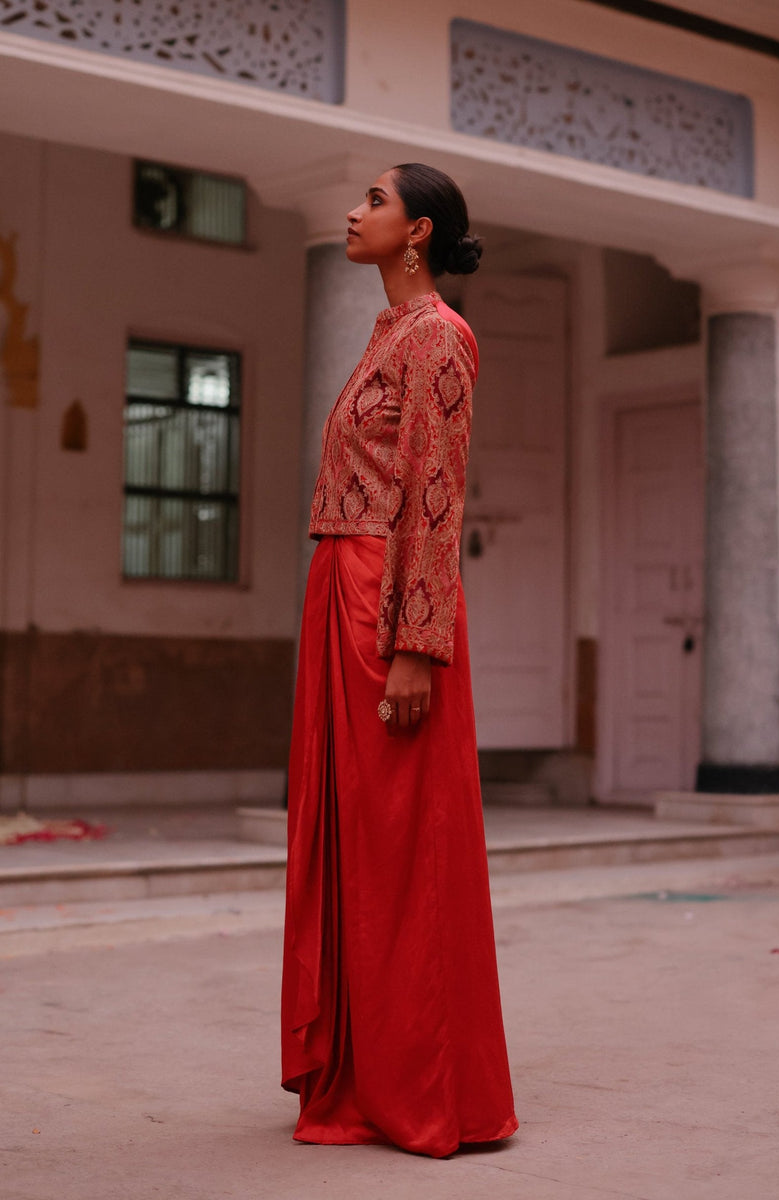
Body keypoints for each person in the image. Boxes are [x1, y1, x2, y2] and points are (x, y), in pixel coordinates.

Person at [281, 162, 518, 1159]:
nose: (351, 211)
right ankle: (358, 1072)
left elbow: (433, 490)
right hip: (341, 596)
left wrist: (418, 646)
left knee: (398, 847)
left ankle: (421, 1085)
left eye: (372, 201)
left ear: (416, 231)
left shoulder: (439, 337)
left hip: (387, 608)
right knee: (352, 836)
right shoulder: (384, 337)